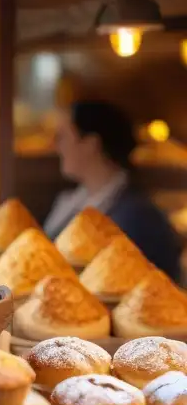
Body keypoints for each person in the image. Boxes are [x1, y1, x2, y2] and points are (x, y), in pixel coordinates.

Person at [46, 99, 182, 282]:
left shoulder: (137, 217)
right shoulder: (71, 201)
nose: (56, 146)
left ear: (91, 144)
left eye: (63, 137)